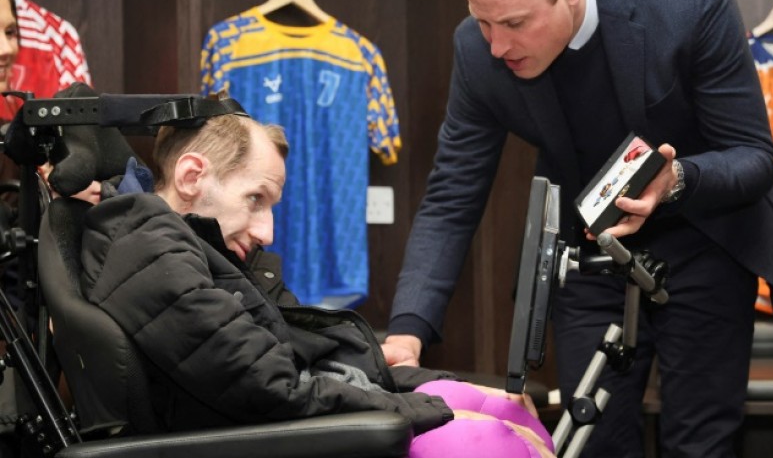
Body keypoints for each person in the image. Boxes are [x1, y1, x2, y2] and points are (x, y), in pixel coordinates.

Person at [382, 0, 773, 457]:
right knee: (595, 440)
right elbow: (453, 192)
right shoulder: (477, 50)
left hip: (707, 239)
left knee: (700, 443)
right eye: (482, 20)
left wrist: (673, 180)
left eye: (514, 23)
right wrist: (408, 328)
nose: (496, 45)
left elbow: (753, 156)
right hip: (588, 250)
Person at [77, 111, 554, 457]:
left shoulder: (209, 248)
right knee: (488, 442)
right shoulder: (151, 252)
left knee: (506, 409)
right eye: (255, 199)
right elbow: (273, 389)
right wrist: (420, 408)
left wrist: (446, 388)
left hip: (288, 415)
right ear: (192, 176)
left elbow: (312, 352)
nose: (267, 231)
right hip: (257, 436)